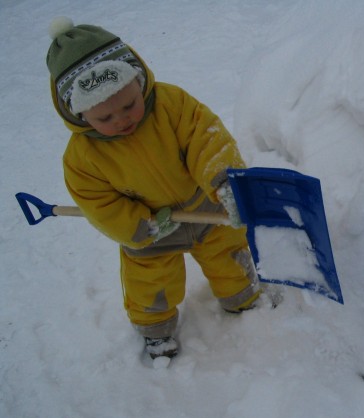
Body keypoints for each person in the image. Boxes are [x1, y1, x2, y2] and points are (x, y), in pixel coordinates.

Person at [45, 17, 261, 360]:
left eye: (129, 105)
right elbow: (97, 203)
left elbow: (205, 139)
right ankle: (156, 332)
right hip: (152, 229)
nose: (122, 120)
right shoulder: (82, 157)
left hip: (204, 204)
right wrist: (139, 226)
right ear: (79, 115)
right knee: (149, 283)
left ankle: (244, 299)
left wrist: (225, 183)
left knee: (229, 253)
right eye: (105, 118)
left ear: (139, 79)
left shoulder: (171, 105)